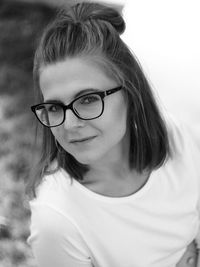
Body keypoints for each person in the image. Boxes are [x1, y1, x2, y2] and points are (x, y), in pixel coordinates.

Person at [26, 2, 200, 267]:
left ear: (130, 92)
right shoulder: (57, 221)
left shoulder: (181, 140)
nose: (70, 124)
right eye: (54, 107)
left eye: (87, 99)